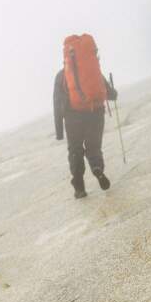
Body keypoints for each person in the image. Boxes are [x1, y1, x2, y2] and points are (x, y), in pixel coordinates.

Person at [53, 34, 117, 199]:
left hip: (73, 118)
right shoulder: (91, 71)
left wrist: (59, 131)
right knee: (93, 147)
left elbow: (57, 104)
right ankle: (97, 168)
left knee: (75, 150)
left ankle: (79, 186)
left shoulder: (61, 77)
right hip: (95, 113)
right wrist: (113, 93)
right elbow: (109, 93)